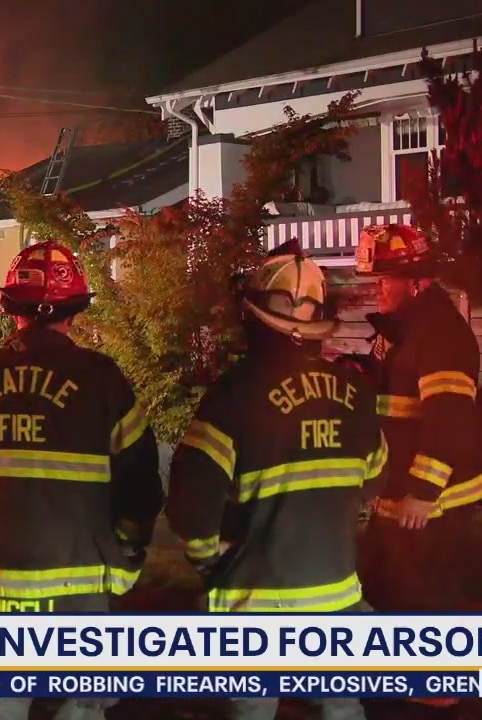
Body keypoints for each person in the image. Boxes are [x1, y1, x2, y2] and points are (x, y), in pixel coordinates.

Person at [0, 239, 164, 720]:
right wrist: (127, 548)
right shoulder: (102, 379)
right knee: (81, 710)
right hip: (81, 592)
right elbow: (141, 486)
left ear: (13, 308)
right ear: (73, 310)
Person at [166, 241, 388, 720]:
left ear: (254, 318)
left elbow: (191, 504)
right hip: (335, 593)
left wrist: (210, 563)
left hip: (255, 600)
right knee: (342, 708)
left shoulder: (234, 395)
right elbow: (373, 479)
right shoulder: (356, 392)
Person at [354, 223, 482, 650]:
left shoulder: (441, 334)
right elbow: (386, 389)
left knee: (422, 604)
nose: (376, 289)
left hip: (432, 505)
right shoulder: (401, 330)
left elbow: (449, 419)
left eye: (384, 280)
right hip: (395, 492)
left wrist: (423, 492)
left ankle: (434, 683)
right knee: (383, 594)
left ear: (416, 282)